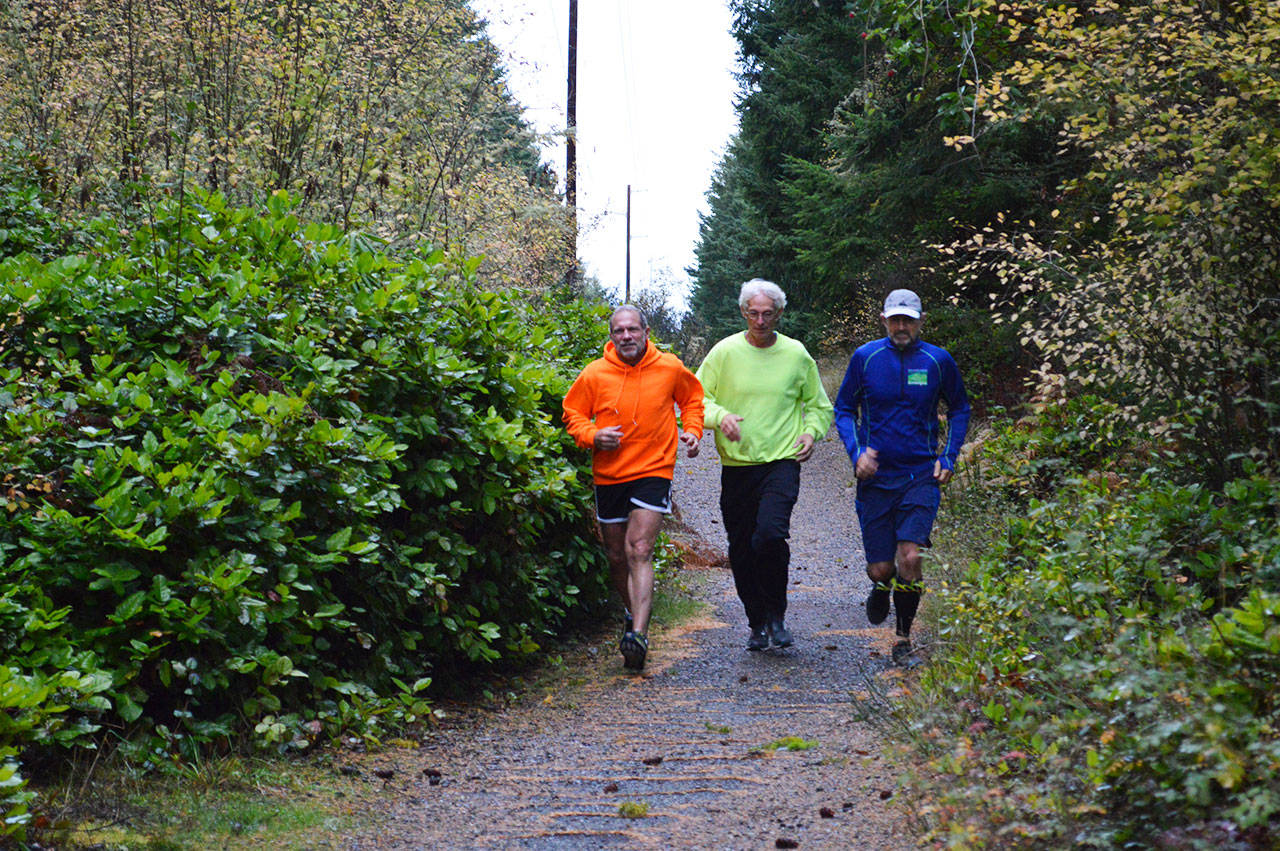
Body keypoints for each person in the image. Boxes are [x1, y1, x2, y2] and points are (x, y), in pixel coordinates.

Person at [562, 305, 704, 670]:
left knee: (639, 548)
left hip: (654, 468)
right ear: (611, 336)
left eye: (632, 330)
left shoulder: (669, 366)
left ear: (646, 331)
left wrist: (693, 430)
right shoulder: (595, 373)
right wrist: (593, 435)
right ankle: (630, 614)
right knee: (615, 556)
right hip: (609, 474)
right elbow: (572, 414)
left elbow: (692, 399)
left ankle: (638, 635)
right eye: (618, 331)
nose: (626, 336)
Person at [696, 279, 834, 651]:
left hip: (781, 461)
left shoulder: (796, 354)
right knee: (741, 546)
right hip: (738, 466)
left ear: (779, 314)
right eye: (753, 313)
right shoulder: (724, 353)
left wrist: (810, 433)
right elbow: (696, 400)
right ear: (743, 313)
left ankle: (777, 615)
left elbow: (820, 407)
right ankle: (756, 621)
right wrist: (719, 416)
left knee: (770, 534)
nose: (760, 320)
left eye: (767, 314)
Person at [834, 288, 970, 664]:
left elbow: (960, 408)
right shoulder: (866, 358)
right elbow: (844, 409)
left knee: (910, 556)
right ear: (884, 320)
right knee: (881, 567)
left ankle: (903, 637)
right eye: (895, 319)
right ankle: (880, 584)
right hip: (875, 479)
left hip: (920, 476)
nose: (901, 326)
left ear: (920, 320)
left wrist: (949, 456)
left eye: (908, 319)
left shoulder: (938, 361)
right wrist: (856, 452)